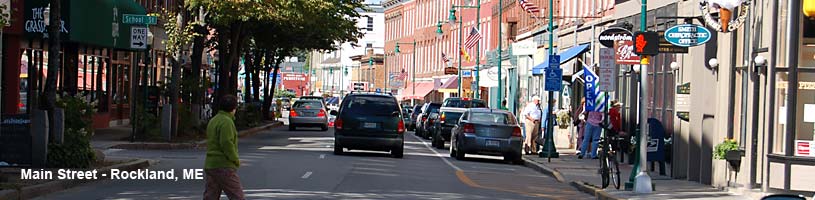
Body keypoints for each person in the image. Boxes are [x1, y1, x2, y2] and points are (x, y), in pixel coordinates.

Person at [204, 95, 245, 200]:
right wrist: (235, 159)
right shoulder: (227, 121)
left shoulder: (214, 120)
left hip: (211, 164)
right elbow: (226, 143)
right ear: (233, 109)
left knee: (211, 196)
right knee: (237, 196)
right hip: (224, 165)